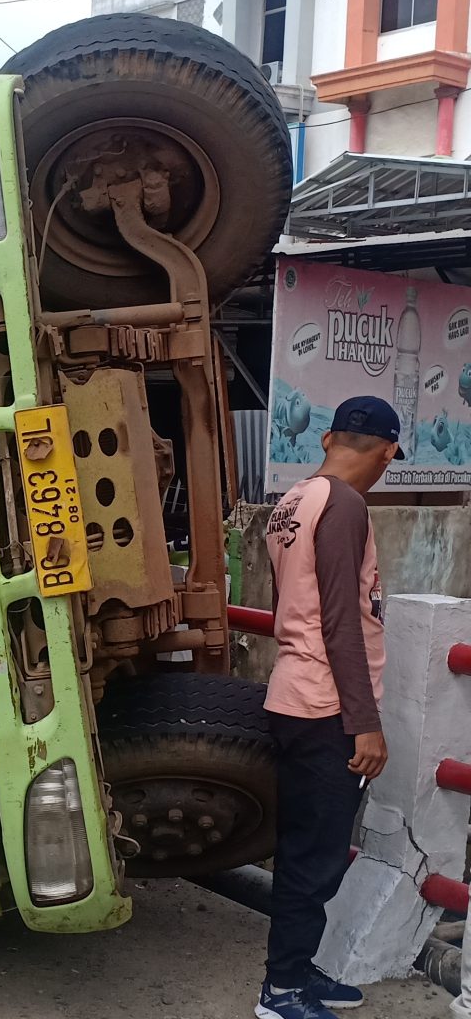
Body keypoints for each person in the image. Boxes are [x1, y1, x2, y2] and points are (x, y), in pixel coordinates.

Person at [256, 396, 399, 1019]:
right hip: (324, 707)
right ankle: (281, 990)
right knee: (314, 857)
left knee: (305, 846)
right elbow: (341, 620)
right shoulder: (345, 505)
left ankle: (298, 971)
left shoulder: (293, 499)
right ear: (389, 452)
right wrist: (364, 724)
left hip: (295, 692)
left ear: (326, 439)